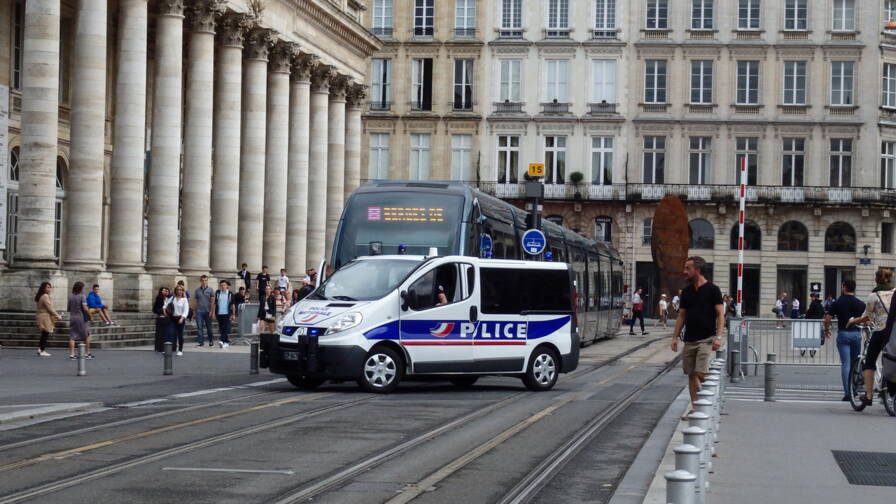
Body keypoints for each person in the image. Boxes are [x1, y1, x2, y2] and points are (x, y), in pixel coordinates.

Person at [671, 256, 723, 419]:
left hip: (706, 338)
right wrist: (674, 337)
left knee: (700, 372)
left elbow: (720, 315)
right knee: (691, 374)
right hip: (689, 339)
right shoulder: (686, 292)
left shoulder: (713, 290)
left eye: (688, 268)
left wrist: (718, 337)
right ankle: (696, 407)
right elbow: (681, 316)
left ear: (698, 270)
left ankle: (711, 394)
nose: (684, 271)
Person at [845, 269, 894, 406]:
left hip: (881, 331)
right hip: (894, 331)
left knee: (870, 361)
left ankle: (868, 396)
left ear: (876, 280)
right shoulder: (894, 293)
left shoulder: (874, 296)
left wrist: (853, 321)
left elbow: (866, 316)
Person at [823, 280, 866, 401]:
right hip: (856, 334)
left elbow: (827, 319)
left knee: (846, 364)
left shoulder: (837, 302)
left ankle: (848, 393)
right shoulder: (860, 303)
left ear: (844, 287)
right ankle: (855, 390)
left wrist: (826, 330)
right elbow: (865, 319)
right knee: (855, 362)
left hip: (843, 334)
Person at [68, 282, 94, 360]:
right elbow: (85, 308)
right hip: (80, 318)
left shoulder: (71, 297)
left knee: (72, 336)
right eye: (83, 288)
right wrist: (90, 315)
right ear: (80, 288)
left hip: (72, 317)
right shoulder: (82, 296)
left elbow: (69, 308)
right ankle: (87, 353)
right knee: (87, 335)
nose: (83, 289)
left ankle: (72, 354)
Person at [34, 282, 60, 357]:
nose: (49, 289)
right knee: (45, 334)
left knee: (44, 334)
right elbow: (50, 308)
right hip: (44, 317)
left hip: (41, 316)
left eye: (49, 287)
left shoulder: (41, 295)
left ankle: (40, 349)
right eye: (47, 287)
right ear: (43, 288)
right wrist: (57, 316)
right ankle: (42, 350)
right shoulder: (45, 296)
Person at [165, 285, 190, 356]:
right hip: (172, 318)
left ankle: (180, 350)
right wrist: (165, 312)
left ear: (182, 291)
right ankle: (169, 349)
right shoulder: (172, 298)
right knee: (170, 333)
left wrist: (182, 318)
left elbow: (186, 310)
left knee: (180, 335)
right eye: (177, 289)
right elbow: (166, 305)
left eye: (180, 290)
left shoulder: (184, 300)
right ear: (175, 291)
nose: (179, 291)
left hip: (180, 318)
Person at [211, 280, 236, 349]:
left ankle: (222, 340)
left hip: (227, 313)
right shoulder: (218, 293)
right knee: (221, 328)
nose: (223, 286)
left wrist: (233, 314)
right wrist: (213, 313)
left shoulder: (230, 294)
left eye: (224, 285)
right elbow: (215, 303)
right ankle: (226, 342)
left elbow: (233, 305)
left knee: (225, 328)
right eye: (221, 285)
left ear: (227, 286)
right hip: (219, 313)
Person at [193, 275, 214, 347]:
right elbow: (196, 301)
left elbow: (212, 301)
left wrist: (212, 311)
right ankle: (201, 342)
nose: (204, 282)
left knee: (209, 328)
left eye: (205, 280)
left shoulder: (210, 290)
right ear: (200, 281)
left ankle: (211, 341)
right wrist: (194, 312)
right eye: (202, 280)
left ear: (207, 281)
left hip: (208, 311)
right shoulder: (197, 290)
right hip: (199, 311)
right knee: (199, 328)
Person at [152, 287, 171, 352]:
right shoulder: (159, 298)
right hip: (161, 317)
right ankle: (158, 348)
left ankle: (165, 347)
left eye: (166, 291)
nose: (165, 292)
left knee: (166, 334)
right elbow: (155, 309)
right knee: (159, 333)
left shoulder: (170, 299)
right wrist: (162, 311)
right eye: (163, 290)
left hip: (168, 318)